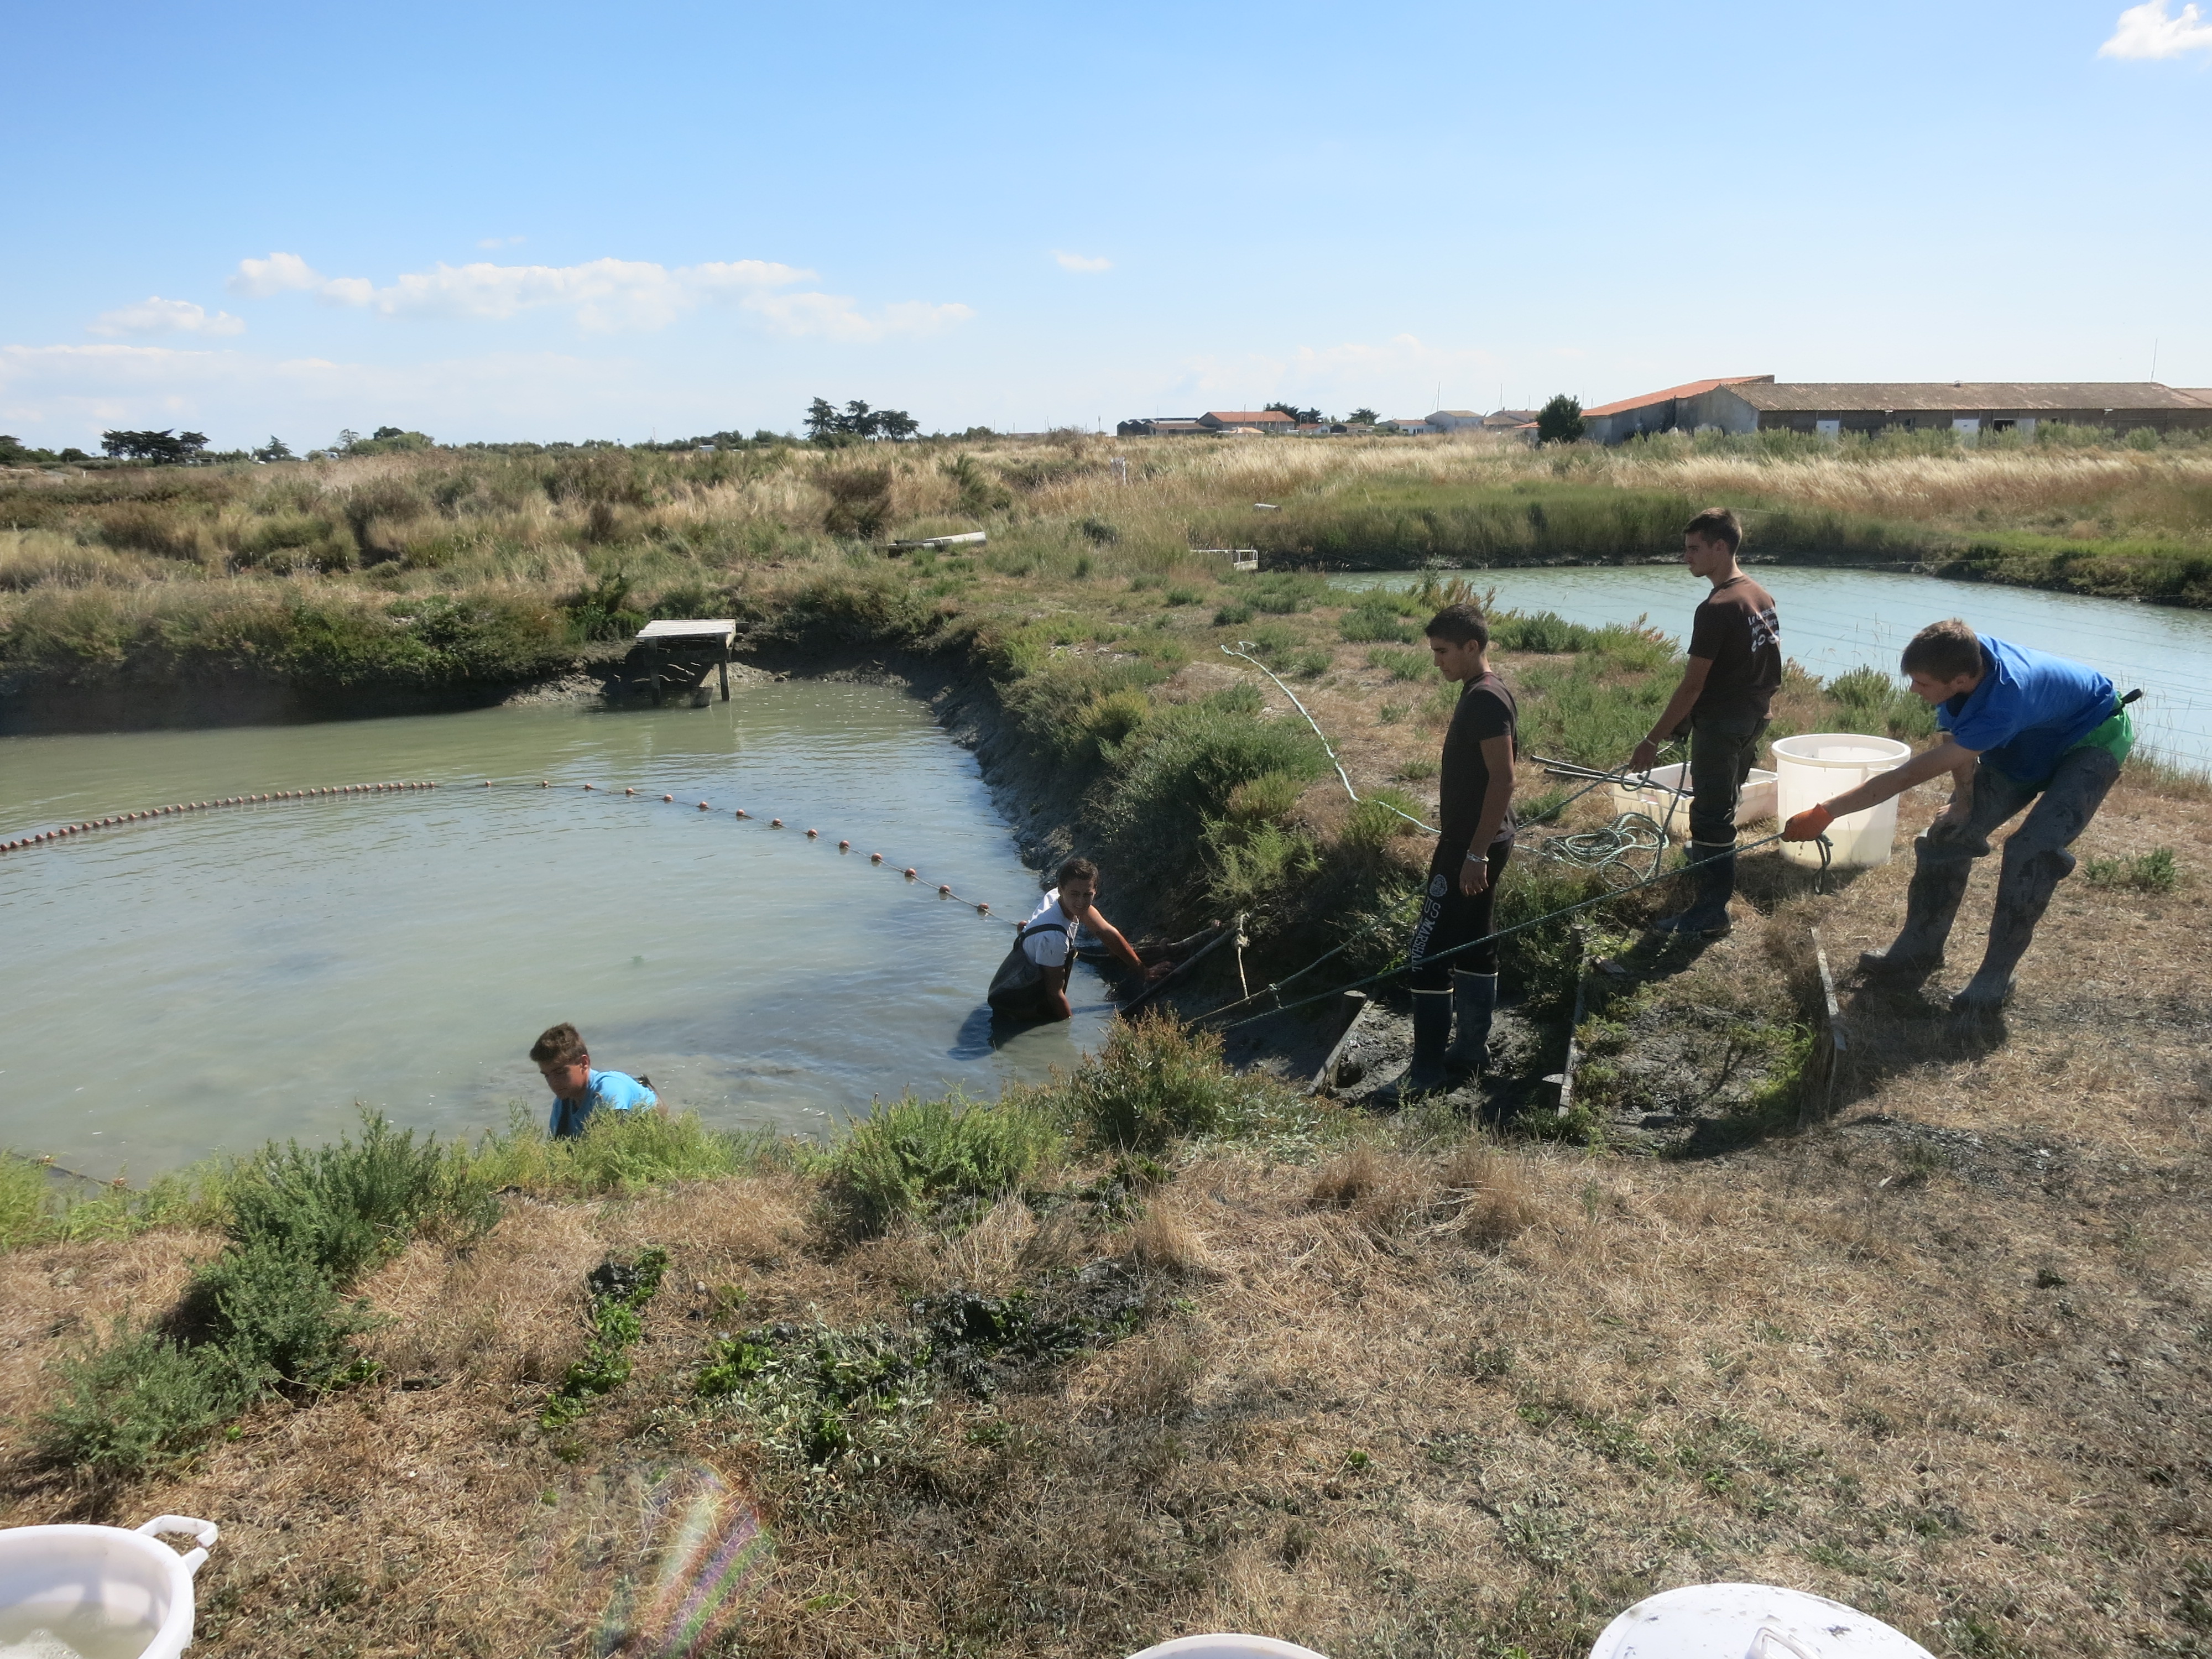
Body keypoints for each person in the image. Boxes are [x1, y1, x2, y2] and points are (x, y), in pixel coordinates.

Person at [1781, 618, 2133, 1026]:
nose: (1914, 690)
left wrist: (1826, 812)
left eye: (1923, 683)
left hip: (2092, 737)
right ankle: (1918, 950)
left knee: (2031, 850)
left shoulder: (2005, 698)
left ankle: (1995, 976)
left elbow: (1905, 777)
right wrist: (1963, 805)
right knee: (1947, 834)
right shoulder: (1957, 656)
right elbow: (1955, 744)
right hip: (2028, 737)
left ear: (1963, 678)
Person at [1626, 506, 1781, 940]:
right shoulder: (1759, 595)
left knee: (1711, 818)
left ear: (1720, 547)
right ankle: (1711, 865)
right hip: (1754, 719)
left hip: (1723, 725)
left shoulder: (1716, 607)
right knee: (1724, 806)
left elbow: (1693, 685)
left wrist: (1652, 739)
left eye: (1695, 549)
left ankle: (1710, 913)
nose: (1686, 557)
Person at [1387, 601, 1516, 1098]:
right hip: (1482, 840)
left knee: (1426, 953)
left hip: (1473, 845)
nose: (1436, 661)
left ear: (1472, 646)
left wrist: (1476, 853)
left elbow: (1504, 781)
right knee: (1475, 943)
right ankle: (1469, 1052)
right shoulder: (1485, 689)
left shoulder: (1485, 700)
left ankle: (1425, 1072)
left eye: (1443, 652)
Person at [987, 857, 1166, 1023]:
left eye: (1087, 895)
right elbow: (1054, 994)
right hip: (1012, 1001)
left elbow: (1107, 933)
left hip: (1015, 978)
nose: (1080, 902)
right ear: (1061, 889)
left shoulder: (1064, 901)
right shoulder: (1055, 938)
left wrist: (1144, 971)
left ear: (1095, 891)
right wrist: (1068, 1031)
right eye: (1074, 894)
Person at [530, 1021, 659, 1138]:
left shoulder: (608, 1090)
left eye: (560, 1072)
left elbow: (609, 1150)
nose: (553, 1083)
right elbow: (556, 1153)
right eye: (547, 1075)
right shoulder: (562, 1105)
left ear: (584, 1063)